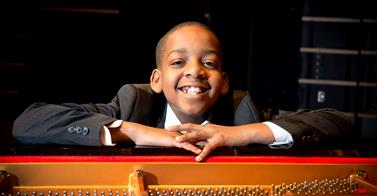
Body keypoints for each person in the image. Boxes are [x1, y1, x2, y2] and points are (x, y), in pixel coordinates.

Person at [12, 21, 354, 162]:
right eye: (179, 62)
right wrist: (136, 133)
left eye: (209, 63)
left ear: (223, 83)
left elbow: (338, 121)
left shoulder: (241, 110)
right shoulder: (133, 103)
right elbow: (28, 123)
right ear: (157, 79)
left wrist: (238, 134)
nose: (194, 71)